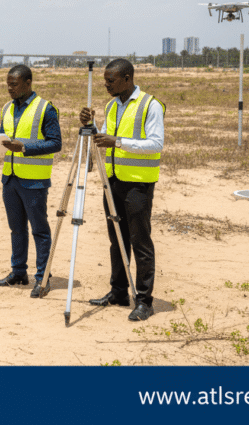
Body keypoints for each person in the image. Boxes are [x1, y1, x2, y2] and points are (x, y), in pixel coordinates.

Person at [80, 58, 164, 321]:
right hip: (113, 182)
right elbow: (104, 137)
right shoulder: (112, 105)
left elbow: (156, 143)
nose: (106, 85)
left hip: (138, 184)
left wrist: (118, 142)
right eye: (105, 80)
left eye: (110, 80)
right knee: (117, 240)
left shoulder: (150, 105)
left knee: (140, 242)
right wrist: (90, 127)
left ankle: (144, 300)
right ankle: (118, 292)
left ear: (127, 78)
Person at [0, 64, 62, 298]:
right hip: (10, 178)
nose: (9, 88)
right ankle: (19, 272)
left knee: (39, 230)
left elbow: (55, 143)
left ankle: (42, 278)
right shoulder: (7, 107)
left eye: (14, 84)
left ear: (28, 83)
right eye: (8, 84)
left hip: (34, 181)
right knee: (16, 229)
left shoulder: (46, 109)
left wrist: (24, 147)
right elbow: (5, 135)